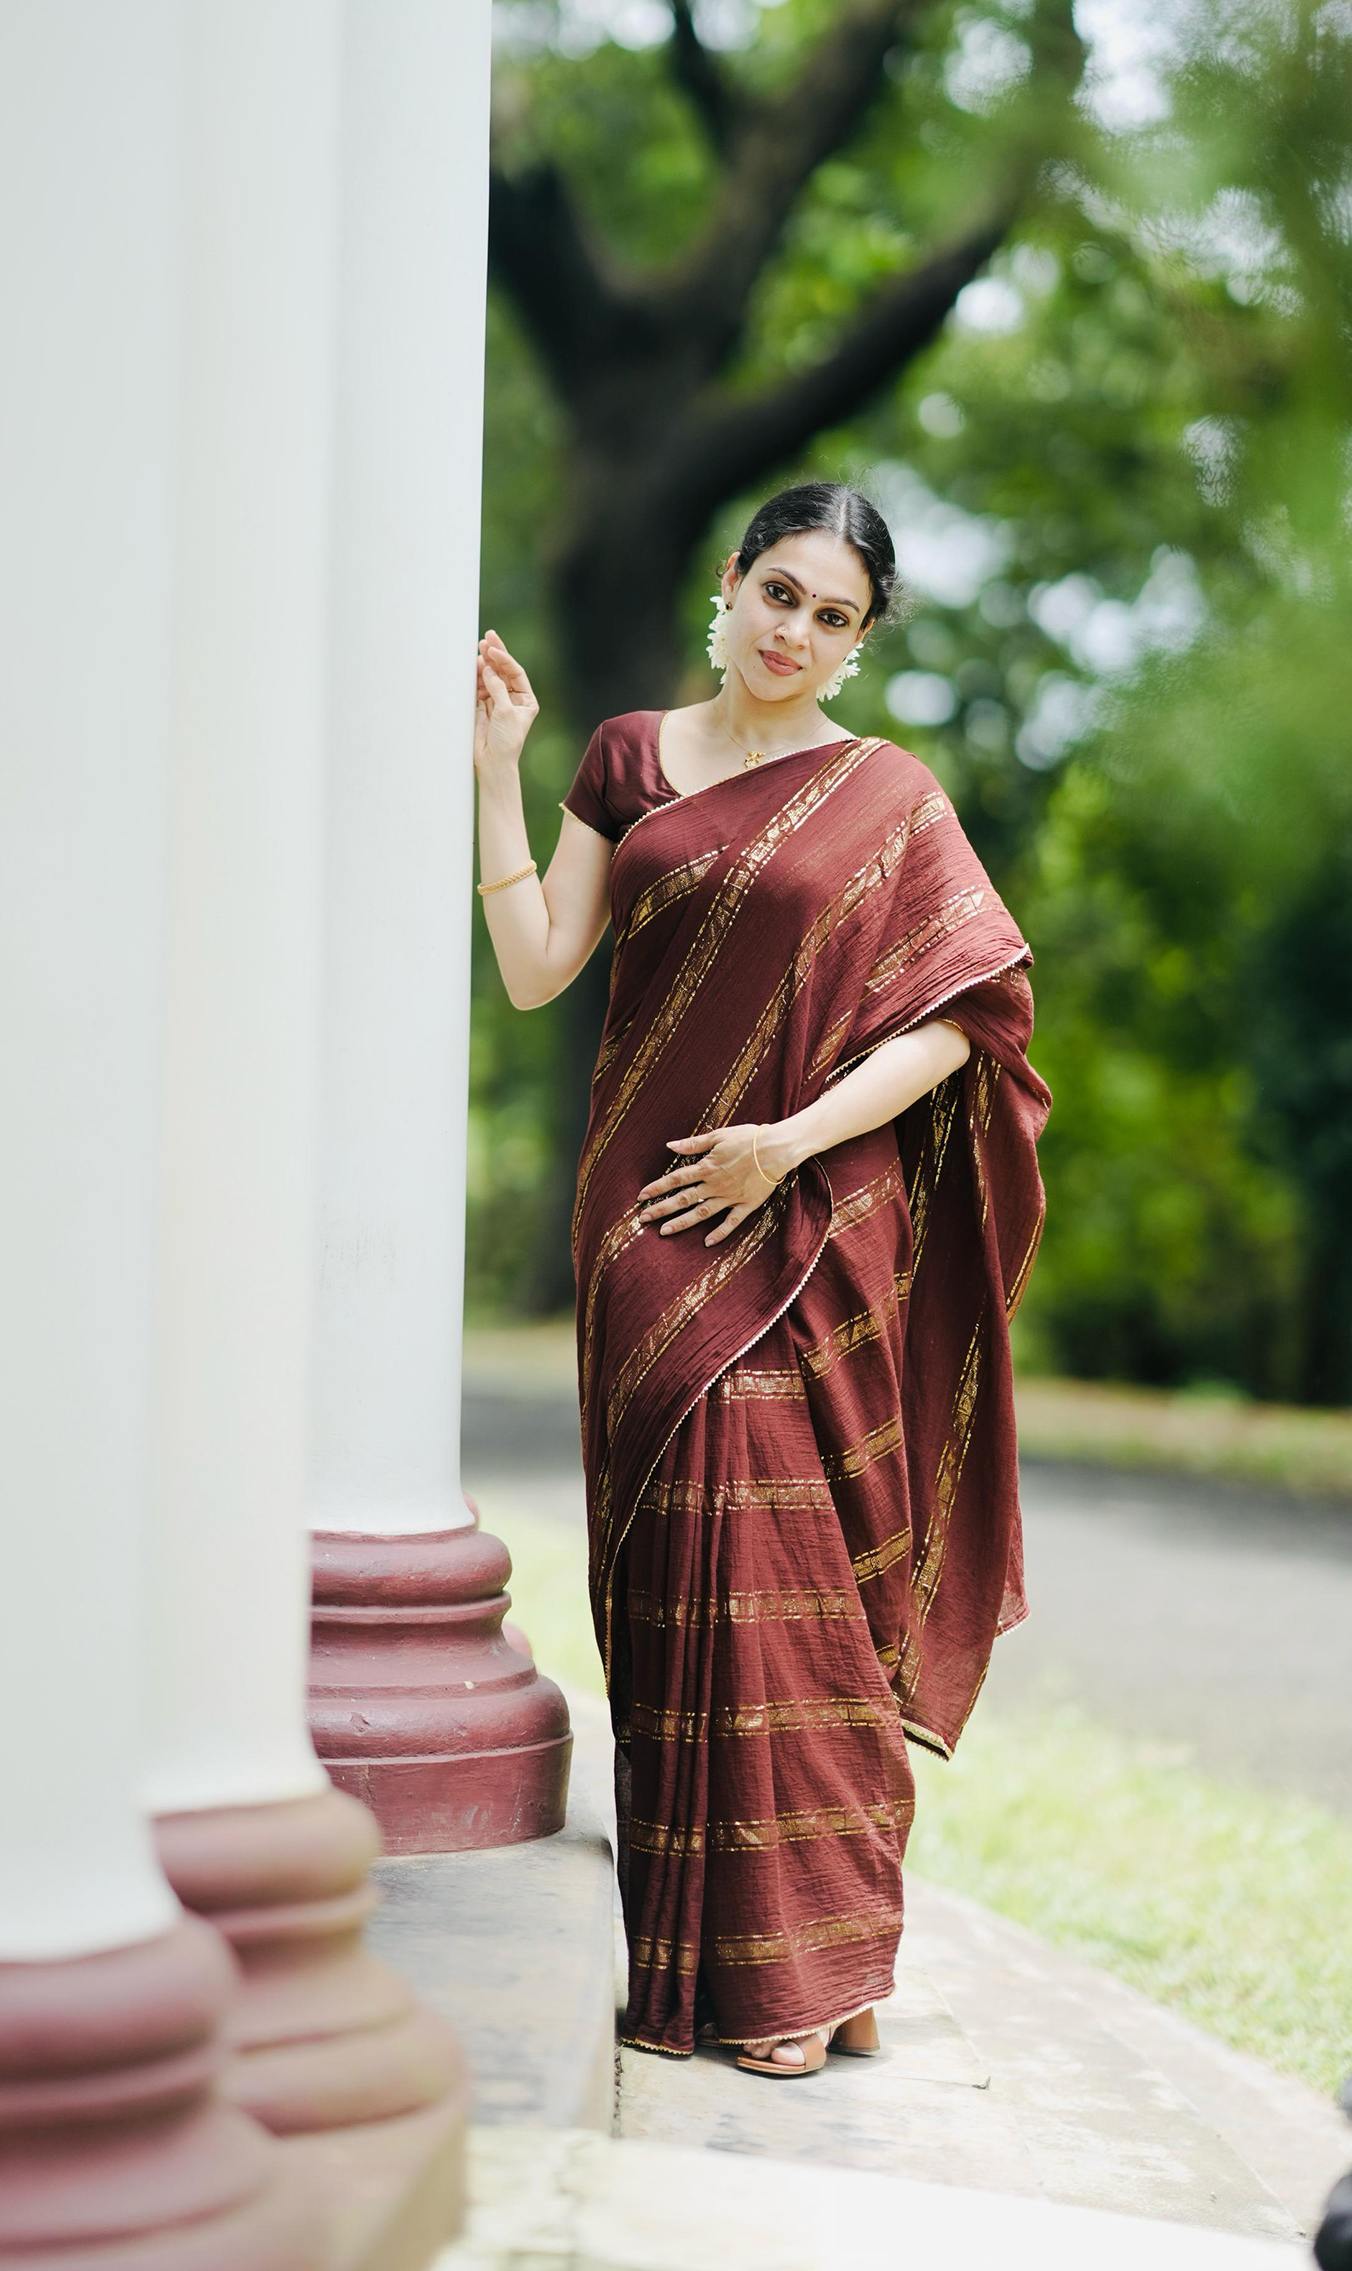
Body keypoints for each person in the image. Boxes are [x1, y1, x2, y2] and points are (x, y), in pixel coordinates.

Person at [472, 481, 1047, 2078]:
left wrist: (784, 1145)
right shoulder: (625, 762)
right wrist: (489, 778)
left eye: (831, 615)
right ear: (726, 588)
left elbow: (959, 1027)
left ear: (859, 647)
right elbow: (536, 974)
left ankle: (817, 1962)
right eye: (777, 594)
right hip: (646, 1229)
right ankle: (749, 1976)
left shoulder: (888, 796)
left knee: (804, 1584)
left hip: (798, 1221)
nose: (793, 632)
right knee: (683, 1591)